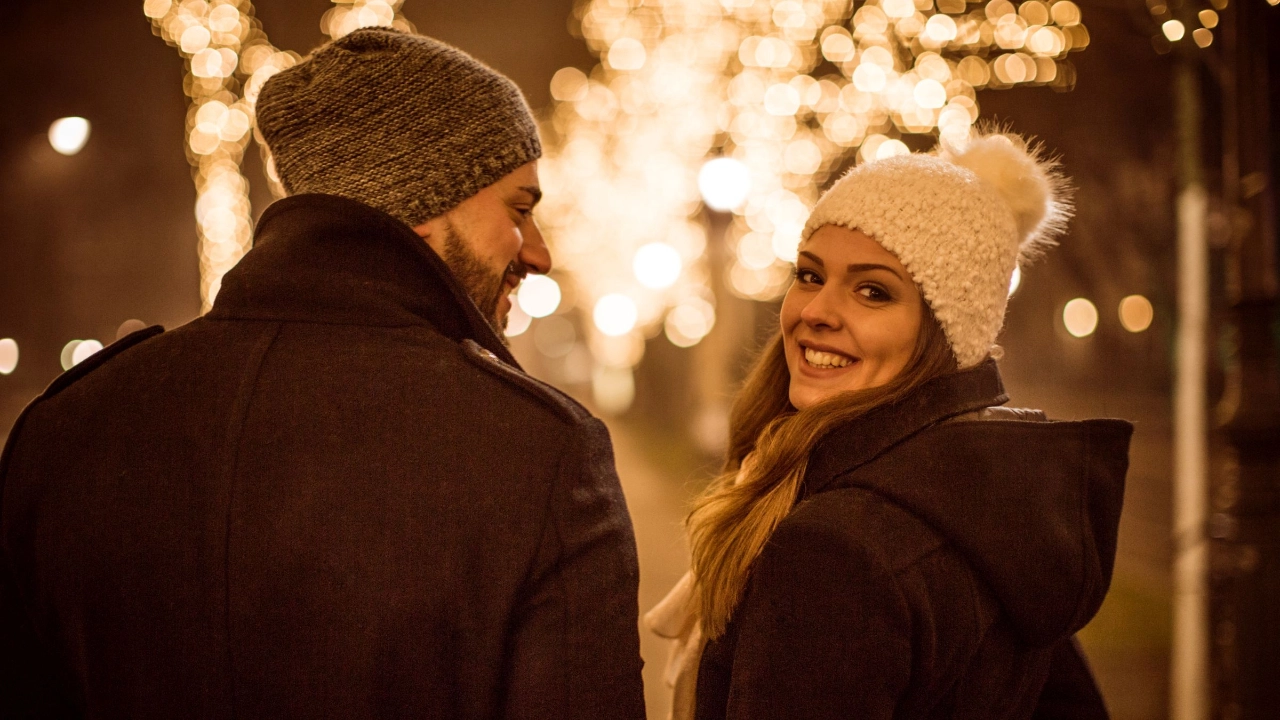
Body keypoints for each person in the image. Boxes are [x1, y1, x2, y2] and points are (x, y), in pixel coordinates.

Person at [0, 28, 646, 719]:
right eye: (519, 209)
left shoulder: (66, 431)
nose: (539, 252)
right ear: (423, 203)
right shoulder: (538, 454)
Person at [646, 132, 1132, 719]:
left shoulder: (833, 551)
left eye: (873, 292)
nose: (817, 312)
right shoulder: (1000, 508)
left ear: (945, 332)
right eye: (809, 274)